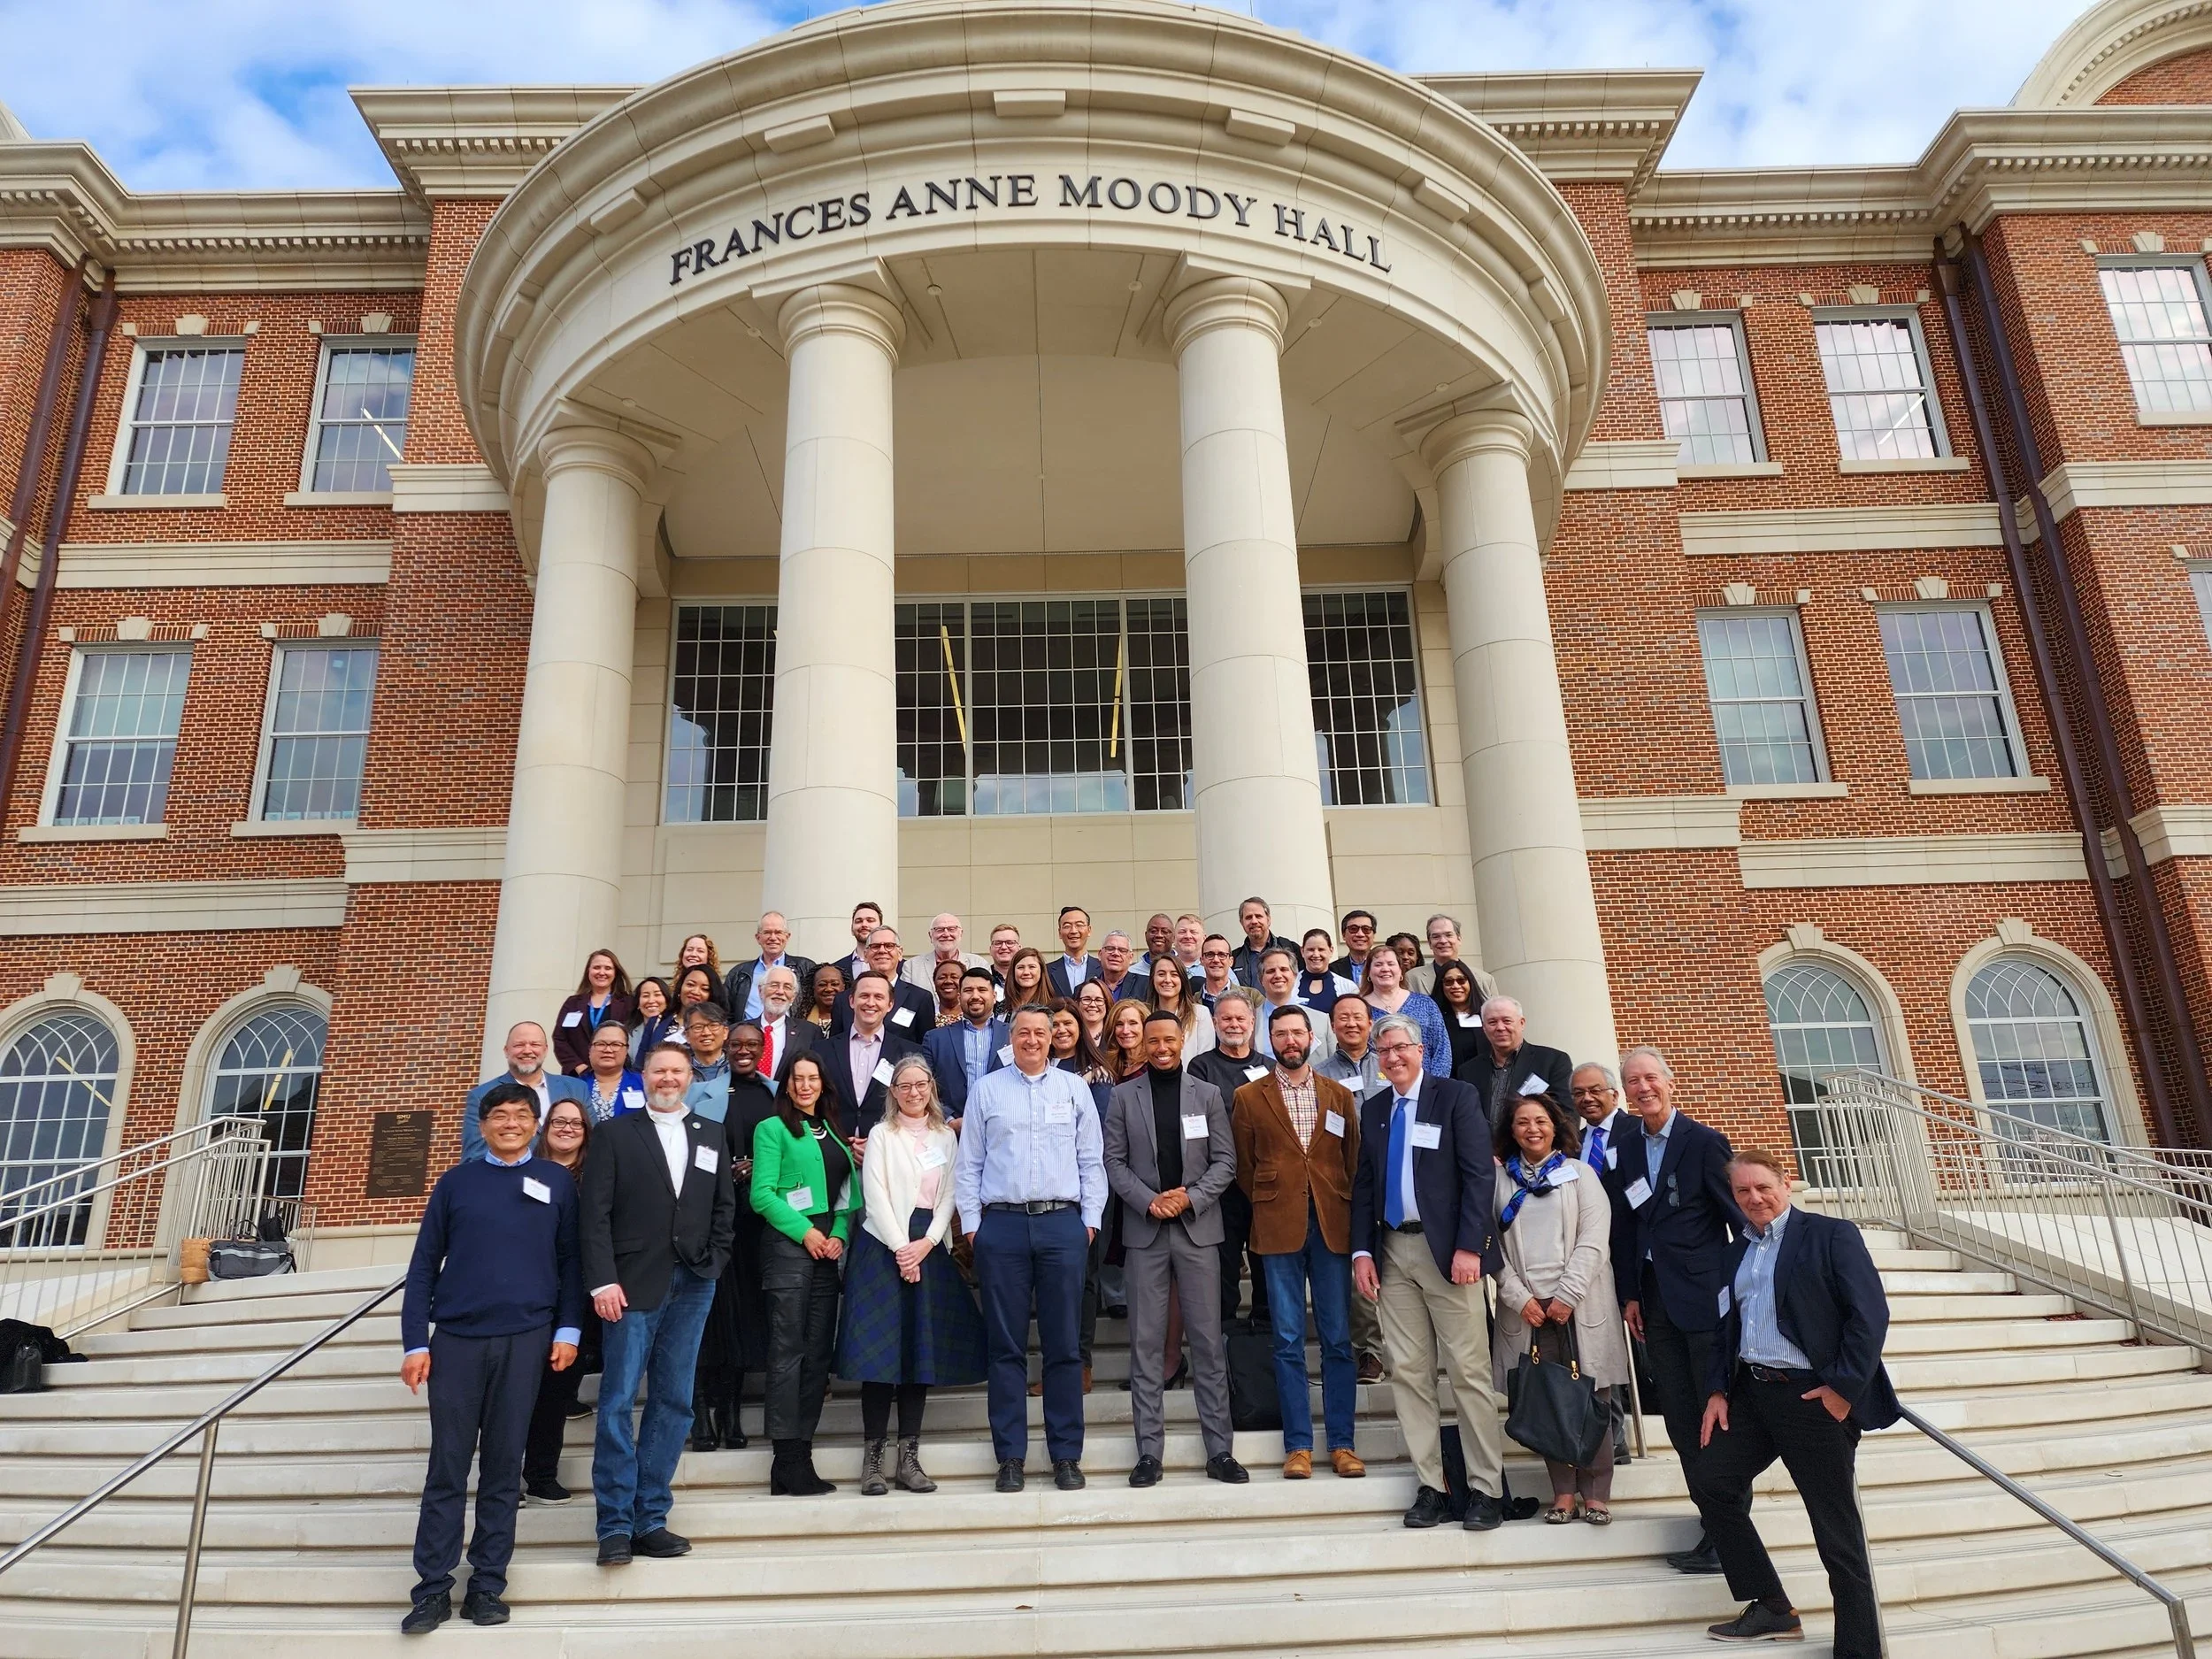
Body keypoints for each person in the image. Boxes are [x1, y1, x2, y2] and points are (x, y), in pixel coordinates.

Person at [1693, 1148, 1898, 1652]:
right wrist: (1718, 1390)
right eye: (1743, 1191)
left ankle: (1859, 1646)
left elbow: (1868, 1315)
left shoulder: (1830, 1234)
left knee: (1835, 1530)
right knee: (1712, 1482)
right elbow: (1725, 1326)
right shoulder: (1734, 1251)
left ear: (1786, 1185)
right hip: (1753, 1395)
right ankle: (1771, 1605)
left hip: (1814, 1399)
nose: (1754, 1198)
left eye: (1763, 1186)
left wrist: (1843, 1389)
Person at [398, 1082, 584, 1633]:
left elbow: (572, 1261)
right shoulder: (456, 1183)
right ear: (482, 1127)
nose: (509, 1124)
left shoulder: (556, 1182)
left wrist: (568, 1329)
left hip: (527, 1338)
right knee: (448, 1467)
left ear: (535, 1124)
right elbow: (424, 1266)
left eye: (520, 1116)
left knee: (505, 1467)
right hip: (457, 1340)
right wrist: (416, 1341)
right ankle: (432, 1589)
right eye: (498, 1116)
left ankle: (487, 1584)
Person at [578, 1045, 736, 1564]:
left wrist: (713, 1261)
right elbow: (593, 1216)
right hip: (629, 1285)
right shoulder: (615, 1135)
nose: (668, 1078)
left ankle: (651, 1518)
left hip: (693, 1282)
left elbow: (722, 1210)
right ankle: (615, 1526)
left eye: (677, 1071)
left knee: (675, 1402)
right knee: (619, 1402)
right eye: (659, 1070)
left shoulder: (710, 1133)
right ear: (643, 1077)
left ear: (691, 1078)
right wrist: (602, 1281)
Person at [1348, 1013, 1506, 1532]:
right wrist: (1362, 1253)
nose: (1392, 1057)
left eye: (1401, 1048)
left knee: (1468, 1372)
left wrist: (1471, 1248)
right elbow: (1365, 1186)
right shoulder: (1373, 1110)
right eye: (1383, 1050)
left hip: (1449, 1256)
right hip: (1392, 1252)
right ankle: (1432, 1486)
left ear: (1420, 1049)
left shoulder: (1454, 1097)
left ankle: (1484, 1488)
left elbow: (1480, 1176)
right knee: (1411, 1373)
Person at [954, 1005, 1107, 1493]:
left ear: (1054, 1039)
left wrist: (1088, 1221)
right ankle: (1011, 1458)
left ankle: (1065, 1455)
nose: (1034, 1040)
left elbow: (1092, 1161)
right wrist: (975, 1227)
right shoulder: (987, 1090)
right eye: (1024, 1032)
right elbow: (969, 1163)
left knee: (1064, 1346)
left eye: (1042, 1032)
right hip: (1002, 1226)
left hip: (1062, 1224)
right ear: (1011, 1039)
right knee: (1005, 1346)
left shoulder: (1074, 1089)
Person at [1611, 1043, 1745, 1576]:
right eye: (1633, 1082)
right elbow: (1627, 1224)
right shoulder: (1624, 1145)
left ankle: (1729, 1530)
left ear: (1671, 1084)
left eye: (1651, 1079)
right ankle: (1710, 1521)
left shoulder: (1705, 1143)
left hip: (1704, 1300)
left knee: (1716, 1418)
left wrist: (1740, 1290)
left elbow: (1739, 1220)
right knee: (1683, 1418)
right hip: (1654, 1303)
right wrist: (1629, 1293)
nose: (1643, 1088)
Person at [1104, 1010, 1246, 1488]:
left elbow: (1226, 1161)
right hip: (1146, 1232)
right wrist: (1150, 1202)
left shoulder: (1205, 1095)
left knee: (1207, 1343)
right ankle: (1149, 1453)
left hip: (1197, 1230)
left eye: (1169, 1039)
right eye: (1153, 1041)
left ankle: (1220, 1450)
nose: (1161, 1047)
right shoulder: (1124, 1096)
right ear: (1141, 1046)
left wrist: (1191, 1197)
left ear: (1180, 1041)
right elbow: (1113, 1161)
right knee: (1146, 1344)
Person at [835, 1056, 987, 1495]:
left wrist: (928, 1242)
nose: (914, 1092)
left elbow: (952, 1194)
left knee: (919, 1355)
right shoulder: (883, 1134)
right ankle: (874, 1461)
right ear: (894, 1091)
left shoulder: (945, 1136)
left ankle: (909, 1458)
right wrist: (903, 1247)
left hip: (930, 1246)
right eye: (905, 1085)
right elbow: (875, 1193)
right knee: (880, 1358)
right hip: (883, 1246)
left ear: (932, 1088)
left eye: (921, 1084)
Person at [1233, 1002, 1363, 1479]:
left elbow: (1351, 1159)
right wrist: (1275, 1199)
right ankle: (1299, 1447)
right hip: (1277, 1225)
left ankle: (1344, 1444)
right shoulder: (1248, 1098)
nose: (1290, 1041)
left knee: (1337, 1339)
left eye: (1297, 1033)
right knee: (1287, 1340)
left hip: (1331, 1225)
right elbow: (1244, 1168)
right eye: (1281, 1034)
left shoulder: (1339, 1094)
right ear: (1271, 1040)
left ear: (1312, 1037)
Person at [1490, 1091, 1628, 1523]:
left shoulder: (1580, 1174)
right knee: (1547, 1399)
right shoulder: (1500, 1182)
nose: (1532, 1129)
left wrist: (1566, 1295)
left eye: (1541, 1121)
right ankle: (1563, 1494)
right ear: (1511, 1132)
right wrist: (1520, 1298)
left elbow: (1594, 1239)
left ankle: (1597, 1493)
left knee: (1593, 1398)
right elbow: (1491, 1246)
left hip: (1580, 1304)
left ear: (1555, 1126)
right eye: (1522, 1122)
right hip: (1528, 1310)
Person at [750, 1051, 859, 1496]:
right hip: (789, 1248)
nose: (805, 1086)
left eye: (813, 1078)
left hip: (826, 1249)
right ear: (787, 1084)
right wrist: (807, 1234)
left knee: (817, 1356)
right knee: (787, 1352)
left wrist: (837, 1234)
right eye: (797, 1078)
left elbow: (847, 1193)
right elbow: (762, 1195)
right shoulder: (771, 1128)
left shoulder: (832, 1129)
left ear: (823, 1084)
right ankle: (786, 1459)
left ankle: (803, 1455)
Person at [691, 1023, 777, 1453]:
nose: (744, 1050)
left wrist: (758, 1167)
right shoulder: (701, 1092)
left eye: (752, 1045)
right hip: (711, 1217)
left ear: (763, 1049)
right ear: (727, 1046)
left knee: (744, 1315)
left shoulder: (773, 1093)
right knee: (709, 1315)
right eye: (737, 1044)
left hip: (757, 1221)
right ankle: (701, 1410)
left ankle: (731, 1409)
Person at [521, 1098, 595, 1506]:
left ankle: (541, 1475)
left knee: (555, 1394)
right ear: (545, 1127)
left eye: (577, 1123)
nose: (567, 1128)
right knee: (514, 1393)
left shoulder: (597, 1176)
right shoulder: (523, 1170)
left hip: (575, 1298)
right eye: (559, 1121)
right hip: (526, 1295)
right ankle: (503, 1475)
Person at [1187, 988, 1272, 1330]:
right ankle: (1223, 1333)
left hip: (1263, 1179)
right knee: (1223, 1262)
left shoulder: (1270, 1067)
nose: (1234, 1024)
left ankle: (1264, 1328)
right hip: (1219, 1182)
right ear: (1216, 1022)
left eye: (1241, 1018)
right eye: (1227, 1018)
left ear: (1252, 1023)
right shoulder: (1201, 1067)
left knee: (1265, 1259)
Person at [1571, 1060, 1638, 1461]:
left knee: (1615, 1349)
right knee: (1596, 1347)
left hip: (1627, 1256)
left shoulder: (1635, 1131)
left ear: (1614, 1094)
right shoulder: (1571, 1141)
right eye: (1579, 1093)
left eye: (1595, 1090)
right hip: (1586, 1261)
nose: (1587, 1098)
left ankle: (1620, 1431)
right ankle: (1610, 1435)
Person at [462, 1022, 589, 1164]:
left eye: (535, 1045)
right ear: (506, 1050)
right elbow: (475, 1156)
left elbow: (592, 1141)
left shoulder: (576, 1088)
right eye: (519, 1045)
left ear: (545, 1050)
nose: (527, 1050)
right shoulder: (481, 1095)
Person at [826, 971, 924, 1145]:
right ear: (851, 1001)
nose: (871, 1003)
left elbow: (915, 1106)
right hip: (835, 1149)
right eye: (864, 996)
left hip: (889, 1149)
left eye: (879, 997)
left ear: (890, 1004)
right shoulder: (822, 1050)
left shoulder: (909, 1053)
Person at [1456, 995, 1575, 1135]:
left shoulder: (1553, 1061)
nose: (1500, 1028)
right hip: (1485, 1154)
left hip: (1535, 1152)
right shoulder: (1468, 1071)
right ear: (1484, 1028)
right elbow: (1464, 1120)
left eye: (1507, 1021)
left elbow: (1567, 1115)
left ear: (1522, 1023)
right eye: (1492, 1022)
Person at [923, 966, 1010, 1121]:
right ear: (959, 996)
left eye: (982, 990)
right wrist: (948, 1120)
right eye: (968, 990)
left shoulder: (1013, 1036)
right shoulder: (935, 1039)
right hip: (952, 1131)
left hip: (1003, 1126)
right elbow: (925, 1086)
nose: (975, 996)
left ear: (994, 996)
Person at [1360, 945, 1451, 1079]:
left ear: (1401, 971)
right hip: (1374, 1087)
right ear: (1368, 972)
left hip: (1425, 1088)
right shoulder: (1359, 1008)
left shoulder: (1425, 1004)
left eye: (1391, 964)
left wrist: (1432, 1087)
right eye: (1378, 964)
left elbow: (1442, 1050)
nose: (1385, 969)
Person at [726, 910, 816, 1026]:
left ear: (787, 937)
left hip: (792, 1039)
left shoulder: (805, 968)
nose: (773, 938)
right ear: (758, 938)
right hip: (749, 1039)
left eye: (778, 932)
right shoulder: (739, 973)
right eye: (767, 932)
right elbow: (726, 1013)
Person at [555, 949, 634, 1077]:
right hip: (578, 1075)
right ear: (588, 971)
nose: (602, 972)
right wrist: (578, 1066)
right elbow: (560, 1039)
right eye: (596, 967)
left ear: (615, 973)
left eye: (608, 968)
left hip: (618, 1074)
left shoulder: (629, 1003)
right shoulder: (573, 1003)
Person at [1252, 946, 1336, 1065]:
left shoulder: (1322, 1020)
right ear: (1261, 980)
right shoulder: (1251, 1022)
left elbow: (1334, 1066)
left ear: (1295, 976)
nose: (1278, 975)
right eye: (1271, 971)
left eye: (1284, 969)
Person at [753, 964, 816, 1086]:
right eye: (774, 985)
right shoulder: (739, 1030)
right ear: (761, 991)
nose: (780, 991)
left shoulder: (810, 1032)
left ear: (793, 997)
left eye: (787, 987)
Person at [1146, 952, 1215, 1056]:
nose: (1167, 980)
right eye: (1161, 974)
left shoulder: (1200, 1014)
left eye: (1174, 975)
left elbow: (1206, 1058)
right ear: (1152, 979)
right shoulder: (1143, 1014)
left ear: (1182, 980)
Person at [902, 911, 987, 990]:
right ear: (930, 935)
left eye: (952, 929)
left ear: (961, 934)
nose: (946, 934)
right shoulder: (912, 967)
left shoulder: (978, 963)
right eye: (939, 929)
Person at [580, 1022, 645, 1124]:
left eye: (616, 1044)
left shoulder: (643, 1083)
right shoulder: (575, 1086)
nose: (608, 1050)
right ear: (590, 1049)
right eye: (601, 1044)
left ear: (626, 1050)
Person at [1319, 995, 1381, 1099]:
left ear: (1370, 1024)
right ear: (1333, 1026)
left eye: (1358, 1017)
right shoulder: (1319, 1074)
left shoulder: (1388, 1065)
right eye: (1344, 1018)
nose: (1351, 1024)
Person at [681, 1002, 734, 1123]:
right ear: (686, 1035)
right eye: (698, 1027)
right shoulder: (679, 1072)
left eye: (713, 1025)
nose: (706, 1033)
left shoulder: (737, 1069)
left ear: (725, 1032)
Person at [1432, 960, 1487, 1074]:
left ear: (1470, 983)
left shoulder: (1488, 1014)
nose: (1456, 986)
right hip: (1451, 1085)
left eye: (1461, 980)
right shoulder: (1435, 1019)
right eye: (1448, 982)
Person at [1229, 896, 1296, 988]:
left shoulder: (1291, 949)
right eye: (1248, 917)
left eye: (1258, 916)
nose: (1254, 921)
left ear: (1268, 920)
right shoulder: (1235, 958)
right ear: (1242, 923)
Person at [1296, 928, 1357, 1016]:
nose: (1316, 955)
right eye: (1311, 950)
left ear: (1331, 950)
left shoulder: (1348, 987)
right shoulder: (1290, 985)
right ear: (1302, 951)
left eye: (1321, 949)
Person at [1047, 904, 1102, 998]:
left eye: (1079, 925)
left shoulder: (1103, 968)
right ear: (1060, 933)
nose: (1073, 931)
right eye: (1067, 926)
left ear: (1089, 930)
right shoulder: (1046, 971)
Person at [628, 976, 679, 1066]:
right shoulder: (628, 1033)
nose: (651, 1000)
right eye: (645, 996)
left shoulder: (677, 1029)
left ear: (667, 1001)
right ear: (638, 1004)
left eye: (657, 994)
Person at [1104, 997, 1150, 1084]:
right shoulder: (1111, 1067)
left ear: (1145, 1026)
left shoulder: (1153, 1066)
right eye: (1119, 1024)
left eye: (1133, 1023)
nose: (1125, 1031)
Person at [1327, 910, 1378, 984]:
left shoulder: (1385, 966)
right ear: (1344, 935)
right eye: (1353, 929)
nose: (1360, 934)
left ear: (1374, 935)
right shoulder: (1332, 970)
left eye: (1366, 929)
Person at [839, 901, 885, 982]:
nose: (864, 925)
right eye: (858, 921)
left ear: (881, 928)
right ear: (852, 929)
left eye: (870, 920)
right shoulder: (837, 968)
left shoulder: (902, 967)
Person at [1002, 946, 1050, 1017]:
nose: (1026, 972)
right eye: (1020, 967)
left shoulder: (1052, 1006)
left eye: (1032, 967)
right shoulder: (1002, 1007)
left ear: (1041, 970)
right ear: (1013, 972)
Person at [1095, 931, 1143, 1003]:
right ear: (1100, 954)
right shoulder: (1087, 987)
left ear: (1131, 957)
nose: (1116, 953)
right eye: (1110, 948)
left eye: (1122, 950)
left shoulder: (1145, 985)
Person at [670, 963, 719, 1032]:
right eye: (690, 985)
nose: (695, 992)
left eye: (704, 989)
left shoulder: (716, 1028)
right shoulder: (658, 1022)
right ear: (680, 987)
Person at [1073, 978, 1112, 1057]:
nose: (1092, 1005)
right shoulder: (1069, 1035)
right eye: (1087, 999)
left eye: (1099, 1000)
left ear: (1107, 1004)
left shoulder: (1114, 1036)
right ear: (1077, 1003)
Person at [1196, 934, 1237, 1009]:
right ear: (1202, 961)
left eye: (1222, 955)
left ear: (1231, 961)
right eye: (1210, 955)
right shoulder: (1191, 1003)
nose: (1216, 960)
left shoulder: (1252, 997)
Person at [803, 962, 845, 1033]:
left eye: (834, 984)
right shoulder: (801, 1019)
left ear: (844, 987)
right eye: (822, 984)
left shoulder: (855, 1019)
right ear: (813, 988)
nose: (829, 989)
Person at [986, 922, 1023, 990]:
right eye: (998, 943)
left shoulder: (1028, 977)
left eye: (1010, 943)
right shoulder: (983, 977)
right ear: (990, 949)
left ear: (1019, 948)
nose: (1003, 947)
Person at [930, 956, 965, 1026]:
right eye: (942, 978)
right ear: (934, 983)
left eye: (954, 977)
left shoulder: (973, 1015)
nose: (948, 981)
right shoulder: (926, 1015)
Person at [1171, 913, 1205, 978]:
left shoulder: (1217, 967)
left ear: (1204, 938)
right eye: (1182, 932)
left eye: (1193, 932)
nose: (1188, 936)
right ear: (1174, 938)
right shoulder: (1164, 967)